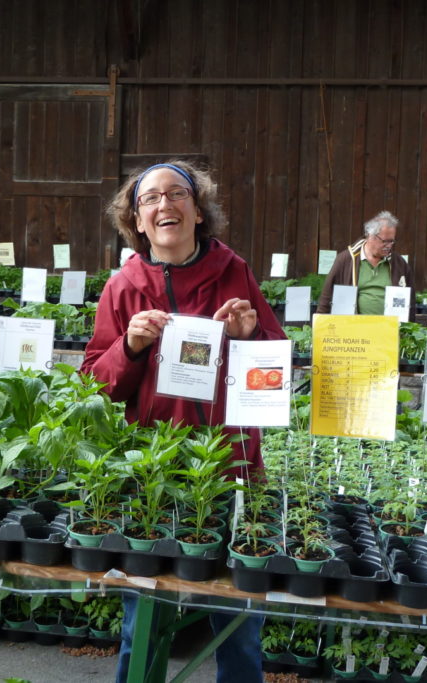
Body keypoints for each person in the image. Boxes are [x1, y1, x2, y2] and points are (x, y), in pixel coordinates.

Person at [81, 161, 285, 683]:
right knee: (142, 617)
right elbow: (93, 387)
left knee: (238, 618)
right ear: (138, 220)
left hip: (231, 464)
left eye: (176, 194)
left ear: (198, 211)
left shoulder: (233, 272)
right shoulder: (123, 288)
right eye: (150, 199)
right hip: (156, 471)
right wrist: (129, 345)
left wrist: (248, 336)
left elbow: (274, 371)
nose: (164, 204)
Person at [316, 210, 414, 316]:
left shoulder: (399, 263)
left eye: (392, 241)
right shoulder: (345, 259)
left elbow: (410, 302)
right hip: (353, 328)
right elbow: (326, 297)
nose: (389, 246)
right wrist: (319, 325)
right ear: (370, 236)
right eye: (385, 241)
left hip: (389, 329)